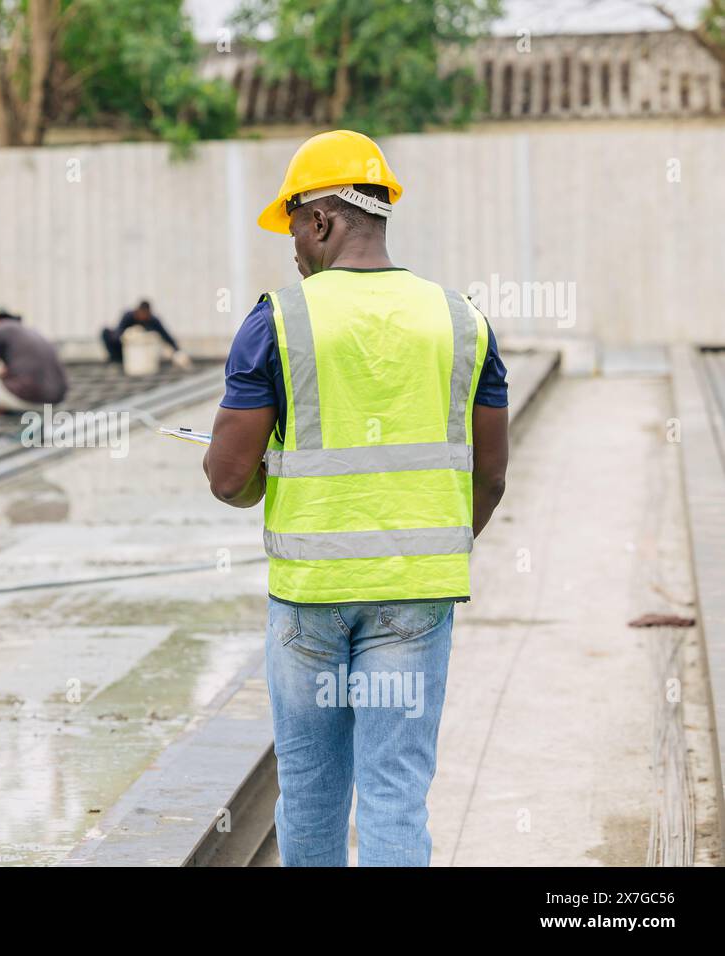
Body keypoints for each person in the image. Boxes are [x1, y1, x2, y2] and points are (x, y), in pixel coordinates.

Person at [202, 130, 510, 867]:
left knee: (310, 789)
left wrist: (265, 479)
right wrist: (427, 543)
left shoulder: (279, 319)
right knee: (396, 791)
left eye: (293, 232)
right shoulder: (463, 321)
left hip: (311, 596)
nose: (294, 253)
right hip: (415, 596)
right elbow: (491, 476)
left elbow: (226, 477)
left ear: (320, 221)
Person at [101, 300, 191, 368]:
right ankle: (116, 359)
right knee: (105, 332)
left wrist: (177, 350)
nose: (144, 317)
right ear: (138, 311)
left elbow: (166, 335)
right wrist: (129, 337)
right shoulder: (128, 316)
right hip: (124, 348)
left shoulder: (153, 320)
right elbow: (118, 333)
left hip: (143, 353)